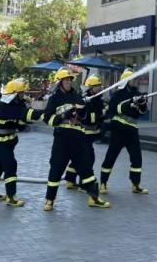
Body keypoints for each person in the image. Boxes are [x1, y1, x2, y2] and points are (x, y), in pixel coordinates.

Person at [42, 68, 110, 211]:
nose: (69, 82)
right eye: (66, 80)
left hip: (78, 138)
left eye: (70, 80)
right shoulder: (54, 99)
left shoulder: (77, 96)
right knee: (56, 168)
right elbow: (48, 119)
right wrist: (63, 115)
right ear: (59, 83)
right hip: (61, 139)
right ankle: (49, 200)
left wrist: (81, 108)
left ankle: (94, 198)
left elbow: (84, 116)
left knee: (86, 168)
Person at [0, 79, 43, 206]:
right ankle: (11, 197)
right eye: (21, 93)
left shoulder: (16, 104)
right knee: (10, 165)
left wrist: (23, 124)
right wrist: (45, 114)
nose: (23, 95)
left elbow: (20, 123)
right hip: (1, 141)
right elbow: (25, 114)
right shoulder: (6, 106)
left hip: (9, 140)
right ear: (15, 94)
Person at [100, 68, 149, 195]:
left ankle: (135, 184)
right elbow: (113, 109)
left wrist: (143, 103)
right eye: (133, 79)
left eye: (136, 79)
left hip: (132, 130)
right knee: (111, 157)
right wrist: (130, 103)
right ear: (126, 81)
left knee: (137, 158)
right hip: (118, 130)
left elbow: (141, 112)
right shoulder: (118, 94)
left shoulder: (137, 94)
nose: (135, 81)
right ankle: (103, 183)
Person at [65, 75, 105, 190]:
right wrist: (99, 116)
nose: (100, 88)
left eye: (100, 86)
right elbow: (86, 117)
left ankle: (70, 180)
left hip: (91, 133)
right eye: (97, 86)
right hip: (83, 133)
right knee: (88, 158)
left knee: (78, 157)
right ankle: (84, 184)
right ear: (90, 88)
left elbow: (100, 113)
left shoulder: (98, 99)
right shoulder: (85, 100)